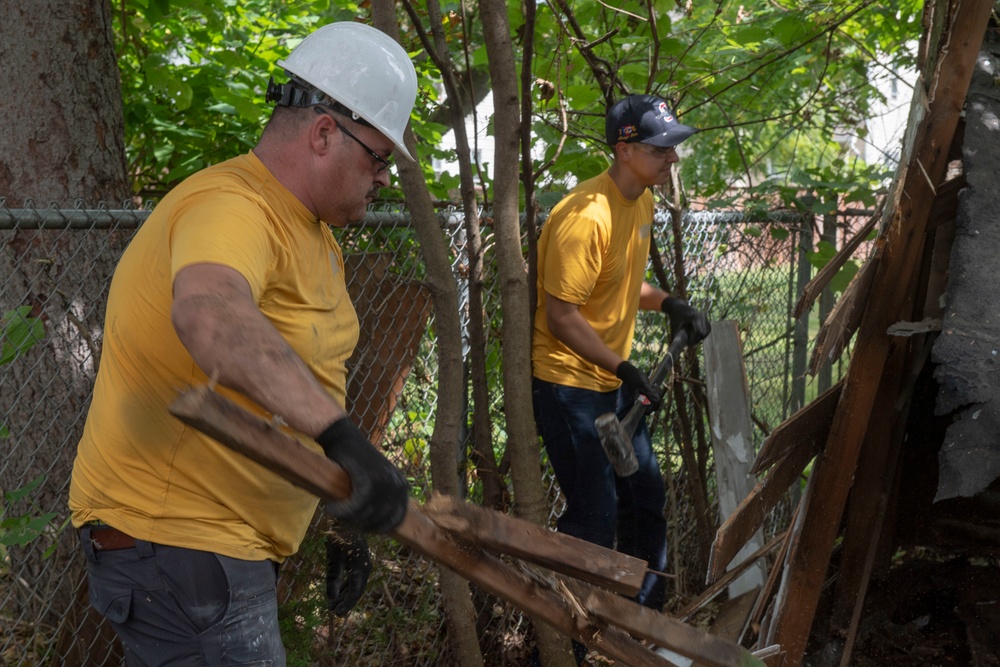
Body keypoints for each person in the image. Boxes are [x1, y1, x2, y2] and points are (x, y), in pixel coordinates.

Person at [68, 22, 416, 666]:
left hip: (218, 551)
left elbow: (299, 378)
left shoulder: (314, 234)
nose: (384, 179)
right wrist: (344, 439)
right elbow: (209, 312)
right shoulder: (232, 205)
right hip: (178, 545)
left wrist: (346, 513)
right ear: (323, 134)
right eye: (379, 158)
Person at [530, 93, 712, 664]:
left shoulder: (640, 202)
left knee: (646, 497)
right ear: (625, 148)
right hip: (569, 388)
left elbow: (621, 282)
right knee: (593, 517)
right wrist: (623, 366)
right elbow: (562, 315)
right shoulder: (585, 217)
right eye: (660, 149)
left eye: (673, 147)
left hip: (610, 385)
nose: (671, 159)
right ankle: (559, 652)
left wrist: (669, 304)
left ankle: (637, 627)